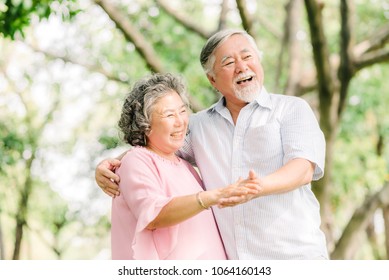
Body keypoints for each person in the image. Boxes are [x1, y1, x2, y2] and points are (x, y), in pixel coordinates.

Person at [96, 29, 328, 259]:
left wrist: (257, 187)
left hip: (297, 258)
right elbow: (157, 148)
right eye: (228, 62)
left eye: (247, 57)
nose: (242, 66)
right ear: (212, 80)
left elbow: (303, 169)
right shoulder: (198, 126)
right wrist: (113, 164)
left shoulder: (291, 109)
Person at [110, 72, 260, 260]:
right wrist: (214, 196)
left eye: (182, 111)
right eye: (169, 115)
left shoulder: (185, 166)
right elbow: (153, 215)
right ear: (145, 123)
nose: (180, 121)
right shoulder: (136, 161)